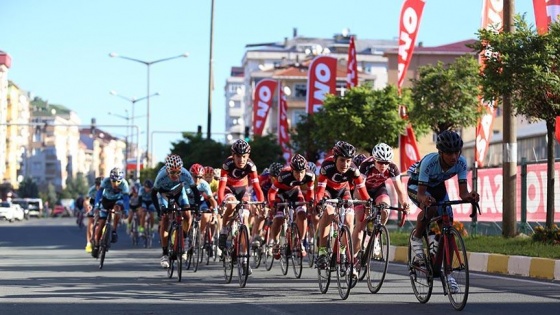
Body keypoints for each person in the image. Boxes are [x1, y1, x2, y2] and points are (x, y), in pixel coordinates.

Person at [407, 130, 479, 293]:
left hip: (438, 187)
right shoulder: (430, 162)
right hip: (416, 185)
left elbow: (463, 193)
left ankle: (448, 274)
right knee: (431, 207)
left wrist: (470, 196)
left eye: (456, 152)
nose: (453, 157)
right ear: (440, 152)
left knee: (448, 225)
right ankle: (417, 238)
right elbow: (421, 194)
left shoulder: (461, 162)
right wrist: (424, 199)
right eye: (448, 153)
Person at [315, 141, 371, 276]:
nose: (345, 164)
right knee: (328, 212)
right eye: (342, 160)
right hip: (328, 191)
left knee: (349, 220)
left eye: (348, 161)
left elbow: (362, 190)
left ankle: (343, 251)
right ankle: (322, 252)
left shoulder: (353, 169)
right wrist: (319, 201)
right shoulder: (326, 166)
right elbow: (320, 189)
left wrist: (368, 201)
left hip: (343, 191)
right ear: (335, 159)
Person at [217, 139, 265, 275]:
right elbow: (221, 188)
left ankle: (244, 258)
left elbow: (257, 188)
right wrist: (221, 202)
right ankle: (224, 230)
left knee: (244, 217)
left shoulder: (251, 166)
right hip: (229, 188)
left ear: (248, 156)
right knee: (231, 204)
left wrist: (261, 202)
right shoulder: (227, 164)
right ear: (233, 155)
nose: (241, 159)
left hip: (243, 190)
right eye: (238, 156)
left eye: (244, 156)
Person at [354, 143, 409, 256]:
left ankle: (376, 237)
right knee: (360, 222)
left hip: (378, 189)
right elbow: (360, 187)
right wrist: (367, 202)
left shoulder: (393, 168)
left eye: (386, 163)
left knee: (385, 208)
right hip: (362, 190)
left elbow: (399, 189)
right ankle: (353, 259)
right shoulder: (366, 165)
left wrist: (404, 204)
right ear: (374, 159)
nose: (383, 165)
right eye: (380, 162)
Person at [151, 154, 200, 268]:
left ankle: (185, 237)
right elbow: (153, 194)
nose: (175, 175)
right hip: (164, 193)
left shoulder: (185, 174)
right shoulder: (161, 176)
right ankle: (164, 254)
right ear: (167, 170)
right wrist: (159, 211)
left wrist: (196, 206)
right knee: (165, 219)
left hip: (179, 191)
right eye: (172, 172)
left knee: (187, 214)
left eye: (178, 172)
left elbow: (195, 191)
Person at [267, 154, 315, 257]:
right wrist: (272, 204)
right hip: (281, 195)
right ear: (292, 170)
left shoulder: (310, 175)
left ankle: (300, 242)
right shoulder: (283, 175)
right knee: (278, 219)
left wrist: (311, 201)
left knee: (302, 214)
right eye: (297, 172)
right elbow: (271, 192)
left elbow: (311, 192)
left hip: (295, 193)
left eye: (302, 172)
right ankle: (275, 243)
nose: (299, 175)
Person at [91, 168, 130, 258]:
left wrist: (126, 210)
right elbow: (99, 193)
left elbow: (126, 199)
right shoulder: (105, 181)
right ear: (110, 179)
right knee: (101, 224)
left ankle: (114, 231)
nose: (116, 184)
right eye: (113, 181)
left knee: (117, 209)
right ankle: (96, 244)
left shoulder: (124, 184)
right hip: (106, 200)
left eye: (118, 182)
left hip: (118, 200)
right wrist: (97, 205)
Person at [189, 163, 219, 258]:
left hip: (201, 203)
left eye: (200, 177)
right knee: (186, 217)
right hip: (188, 202)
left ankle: (200, 234)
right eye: (194, 177)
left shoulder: (204, 184)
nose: (197, 180)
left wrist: (215, 213)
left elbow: (213, 201)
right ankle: (185, 238)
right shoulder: (185, 182)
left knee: (207, 216)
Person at [84, 177, 102, 253]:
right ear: (96, 185)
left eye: (101, 186)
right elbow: (87, 200)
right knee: (90, 221)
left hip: (102, 204)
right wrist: (88, 207)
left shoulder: (107, 189)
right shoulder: (92, 190)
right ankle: (88, 243)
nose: (99, 187)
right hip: (93, 204)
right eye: (98, 186)